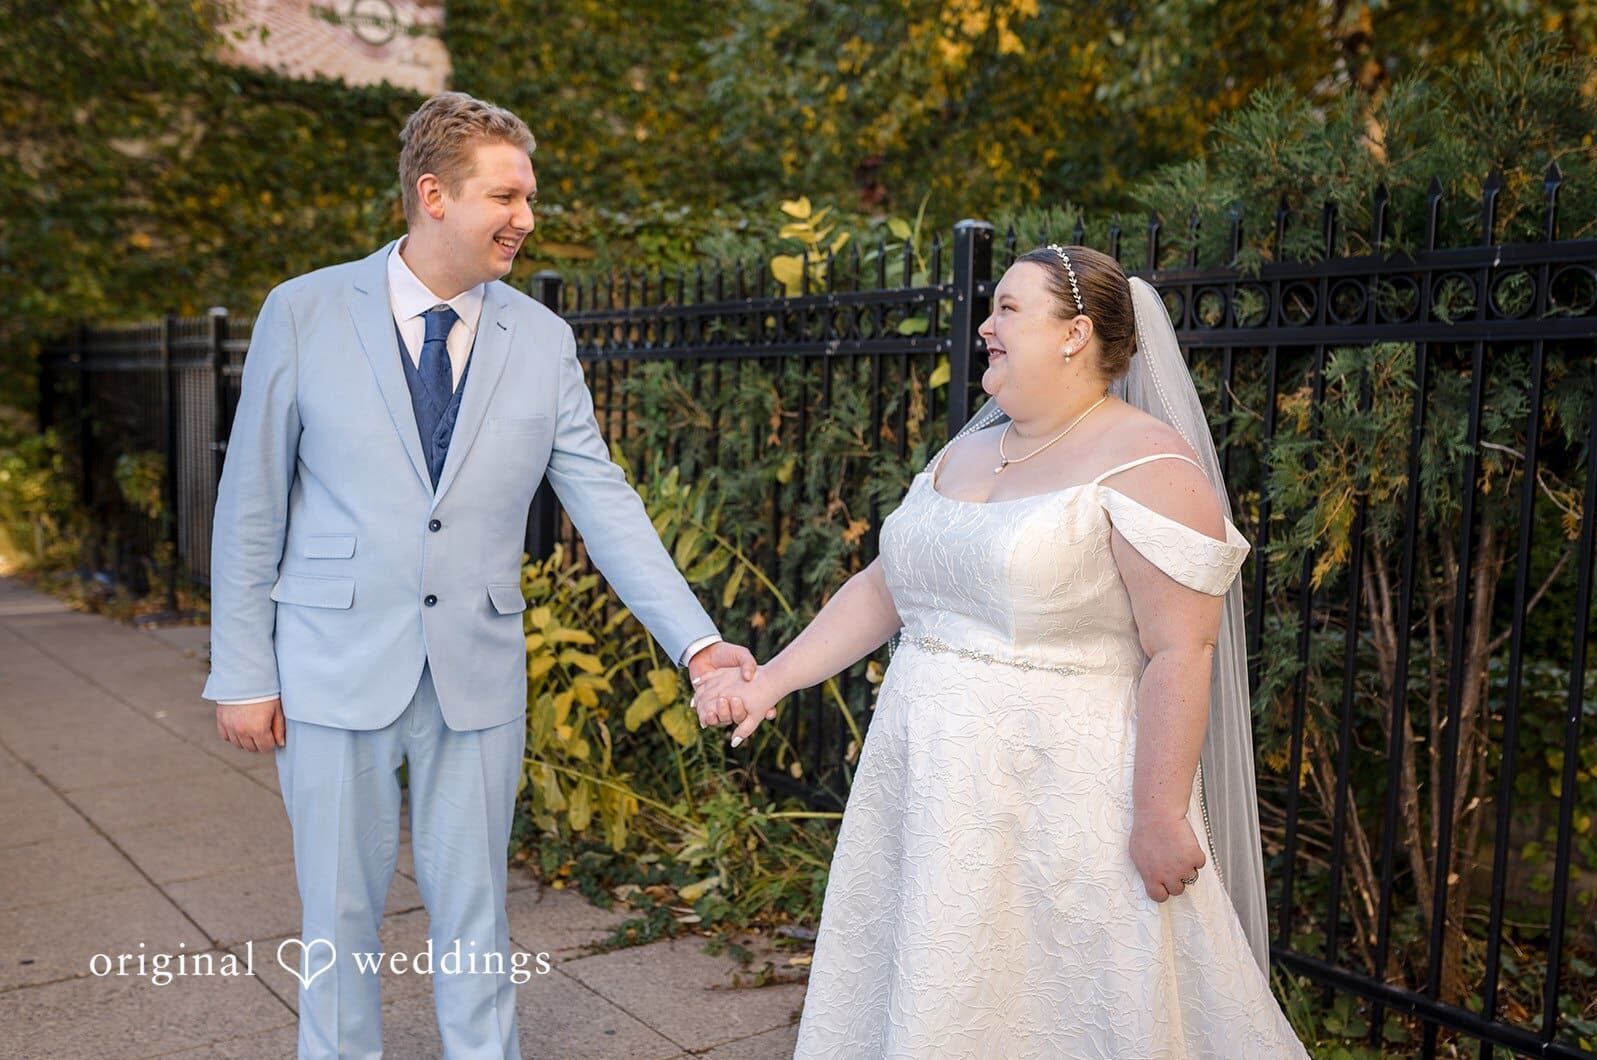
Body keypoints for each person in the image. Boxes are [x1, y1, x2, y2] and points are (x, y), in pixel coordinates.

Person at [203, 92, 753, 1060]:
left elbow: (603, 498)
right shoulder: (303, 310)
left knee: (477, 916)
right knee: (338, 917)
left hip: (476, 667)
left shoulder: (542, 339)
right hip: (331, 662)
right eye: (506, 195)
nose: (527, 218)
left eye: (528, 196)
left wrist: (697, 638)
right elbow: (253, 503)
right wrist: (243, 670)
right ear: (434, 196)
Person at [693, 245, 1307, 1057]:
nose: (985, 324)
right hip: (929, 787)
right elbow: (885, 589)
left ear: (1073, 333)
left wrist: (1158, 816)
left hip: (1063, 796)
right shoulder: (966, 450)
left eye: (1008, 308)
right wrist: (771, 680)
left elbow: (1179, 651)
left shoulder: (1151, 465)